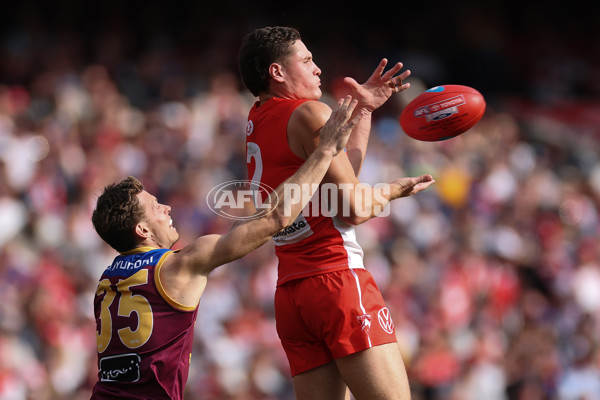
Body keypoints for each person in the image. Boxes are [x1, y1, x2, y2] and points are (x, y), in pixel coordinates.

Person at [89, 95, 363, 399]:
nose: (166, 207)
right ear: (141, 230)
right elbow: (277, 217)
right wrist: (325, 150)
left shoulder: (105, 282)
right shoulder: (179, 266)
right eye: (155, 207)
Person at [238, 26, 435, 400]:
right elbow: (356, 208)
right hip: (336, 279)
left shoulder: (257, 118)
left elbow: (339, 186)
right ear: (277, 72)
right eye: (307, 60)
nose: (317, 69)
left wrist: (362, 110)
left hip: (292, 295)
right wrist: (397, 189)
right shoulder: (310, 111)